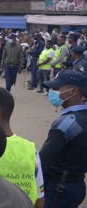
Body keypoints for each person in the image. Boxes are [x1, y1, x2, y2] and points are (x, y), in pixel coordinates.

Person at [40, 70, 87, 208]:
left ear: (73, 92)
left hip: (58, 187)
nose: (52, 92)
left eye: (56, 88)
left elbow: (43, 161)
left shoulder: (67, 123)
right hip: (77, 183)